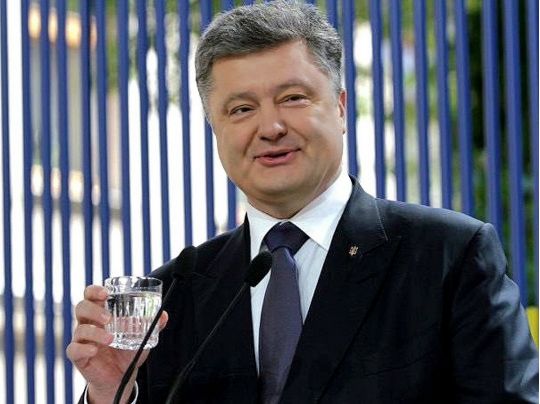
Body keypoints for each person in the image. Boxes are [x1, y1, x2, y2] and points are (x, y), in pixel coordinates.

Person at [67, 1, 538, 403]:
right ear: (215, 128)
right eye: (241, 109)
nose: (270, 127)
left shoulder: (447, 256)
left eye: (293, 98)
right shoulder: (176, 295)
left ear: (340, 107)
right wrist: (112, 394)